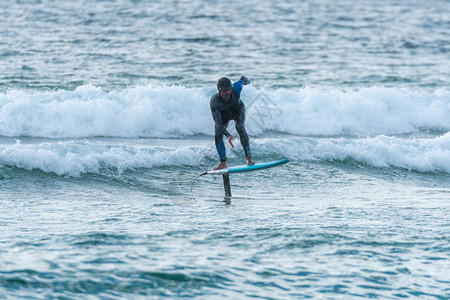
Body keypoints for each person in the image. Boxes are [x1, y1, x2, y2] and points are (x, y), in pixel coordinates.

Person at [210, 76, 255, 170]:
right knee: (217, 134)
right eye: (225, 90)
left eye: (229, 89)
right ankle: (223, 163)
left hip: (238, 110)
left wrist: (247, 81)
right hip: (224, 115)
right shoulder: (214, 101)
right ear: (219, 90)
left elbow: (243, 79)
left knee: (240, 126)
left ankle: (249, 159)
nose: (228, 92)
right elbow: (218, 123)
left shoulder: (236, 88)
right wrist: (228, 135)